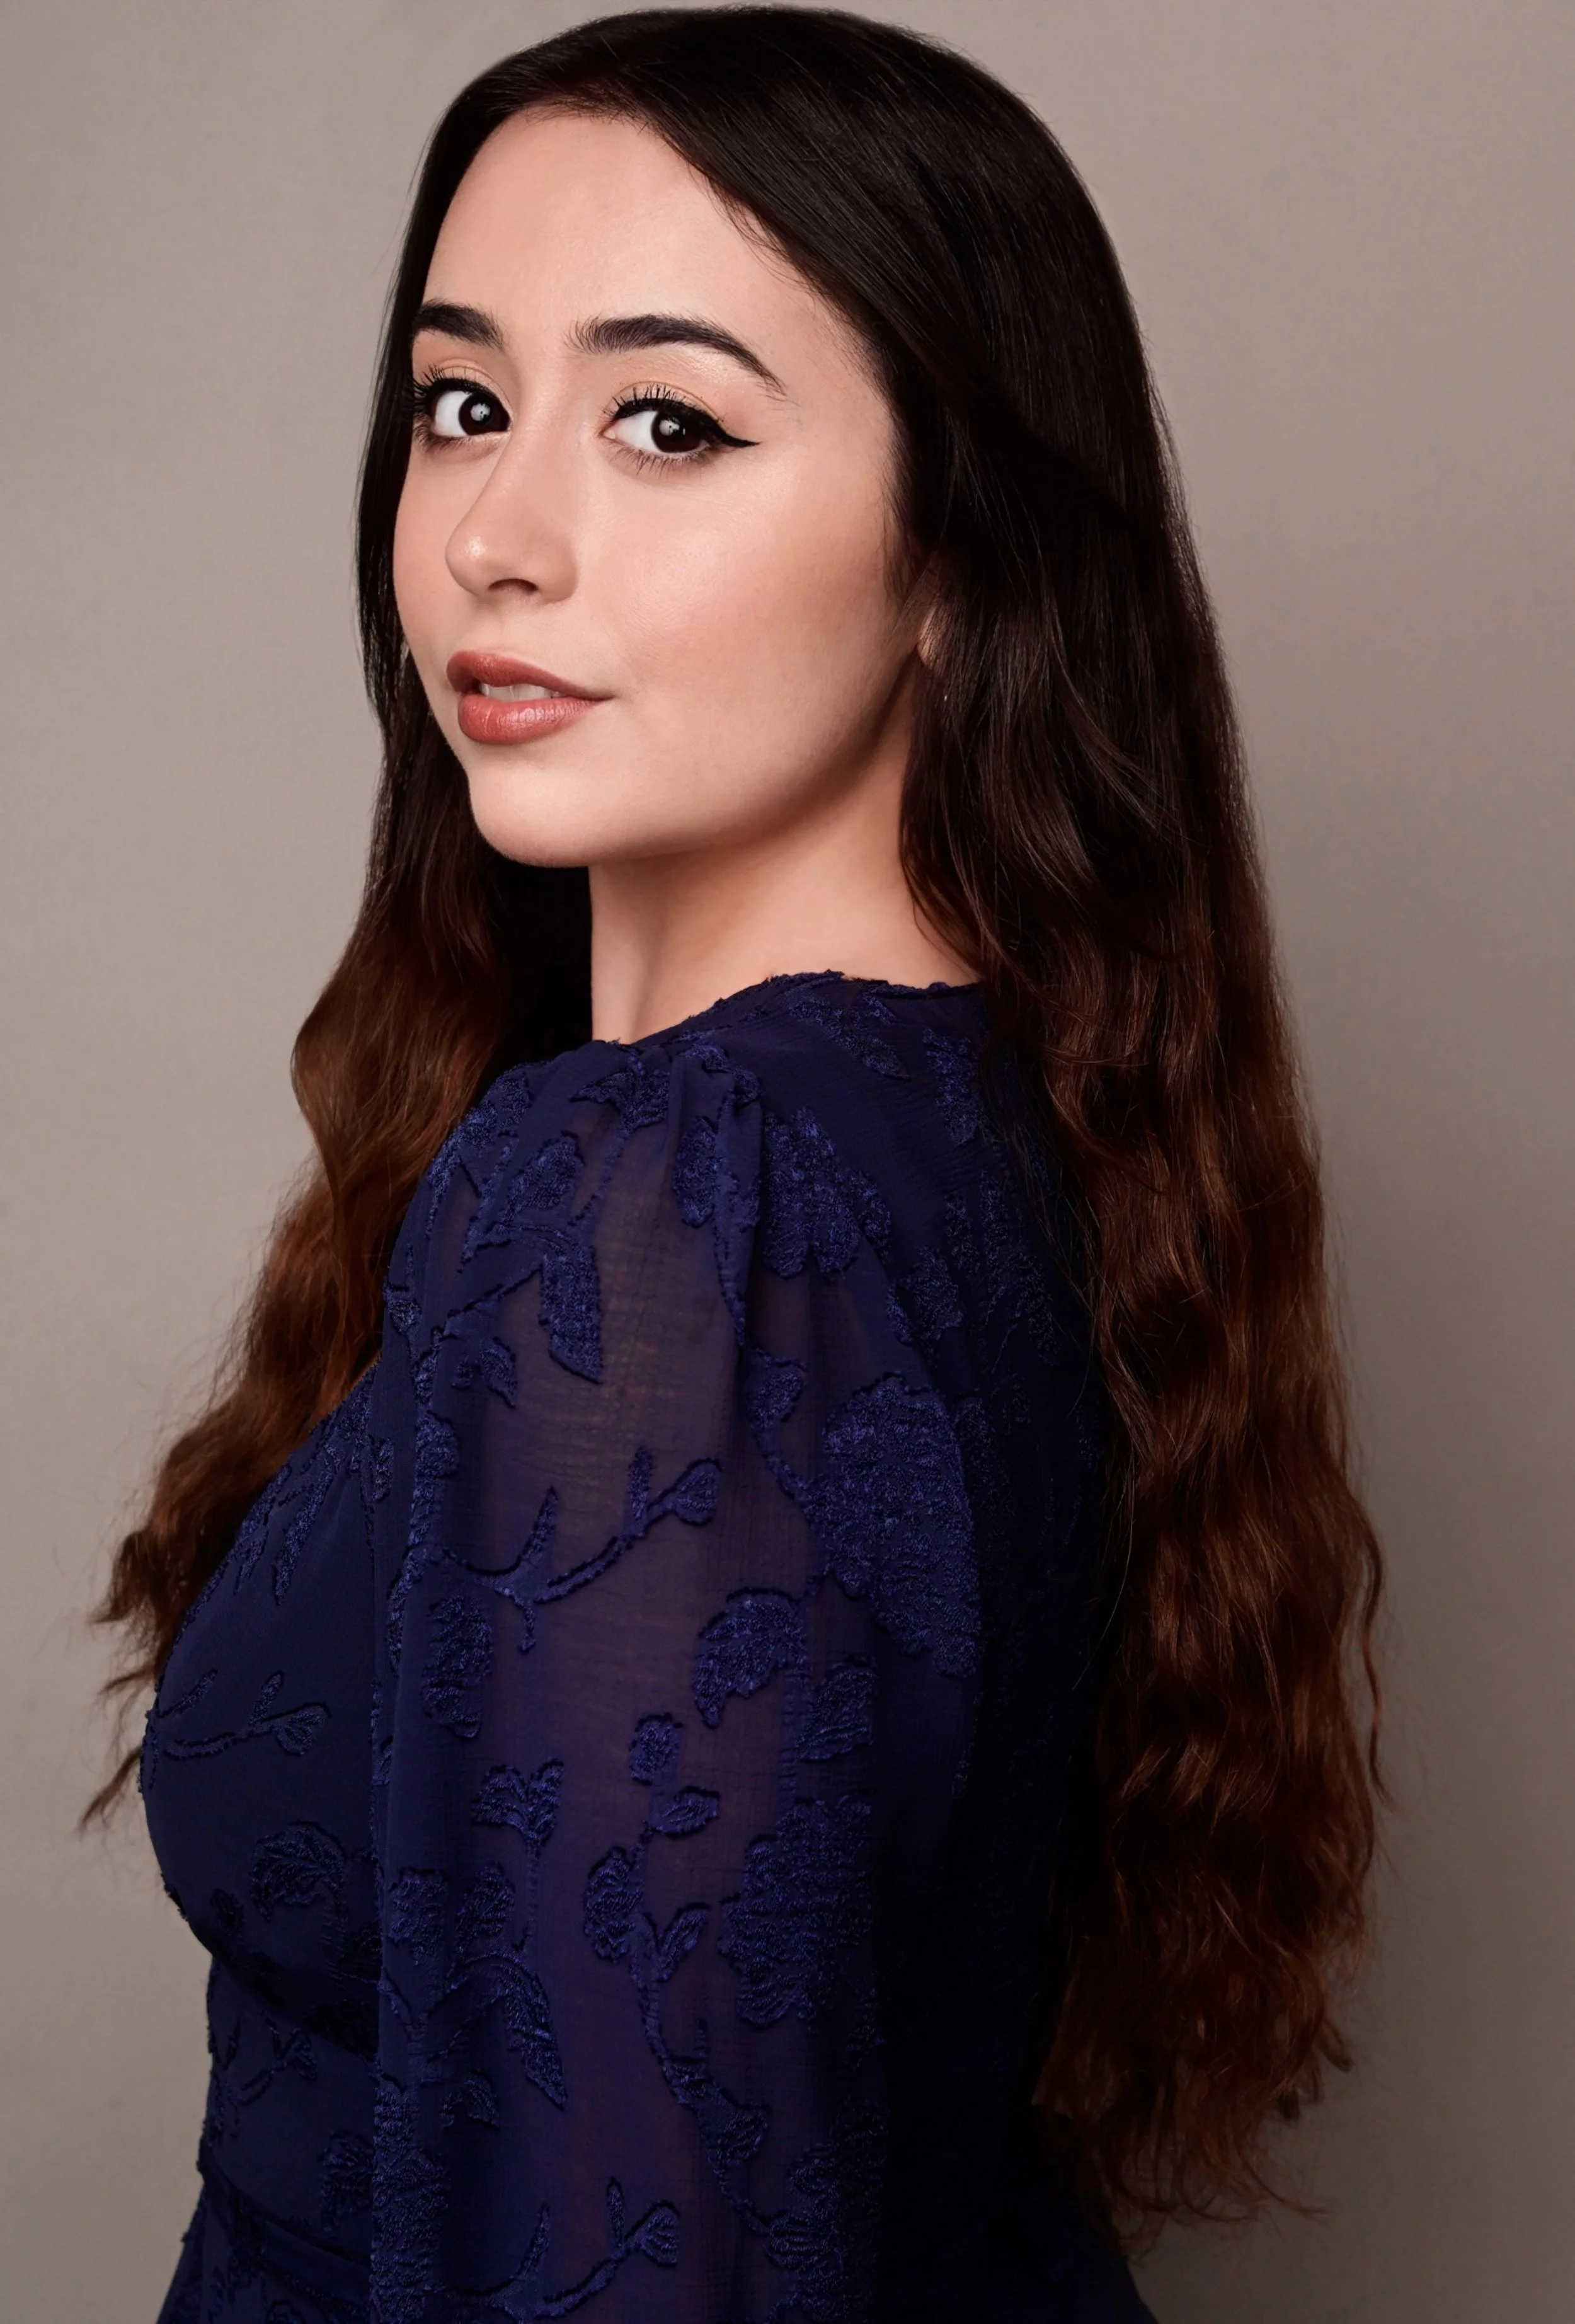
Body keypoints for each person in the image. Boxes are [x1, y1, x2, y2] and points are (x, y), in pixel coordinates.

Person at [94, 11, 1383, 2320]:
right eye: (459, 404)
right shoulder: (972, 1127)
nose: (493, 538)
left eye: (667, 423)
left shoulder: (681, 1201)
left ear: (956, 561)